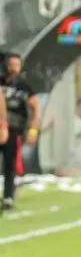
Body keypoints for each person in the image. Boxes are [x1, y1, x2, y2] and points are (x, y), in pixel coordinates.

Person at [1, 54, 40, 212]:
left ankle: (8, 196)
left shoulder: (22, 86)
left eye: (18, 65)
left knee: (10, 164)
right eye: (13, 65)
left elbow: (35, 106)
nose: (16, 69)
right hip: (3, 126)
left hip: (14, 129)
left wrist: (33, 129)